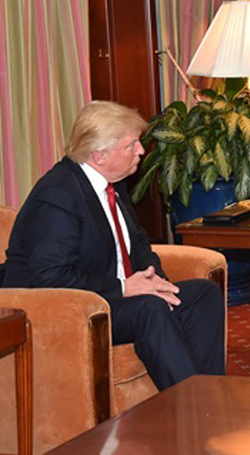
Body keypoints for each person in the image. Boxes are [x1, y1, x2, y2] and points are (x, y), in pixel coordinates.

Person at [3, 100, 225, 390]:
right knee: (149, 309)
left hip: (112, 299)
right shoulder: (57, 197)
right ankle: (195, 405)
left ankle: (210, 394)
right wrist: (124, 287)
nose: (141, 151)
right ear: (99, 155)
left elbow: (139, 242)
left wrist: (155, 279)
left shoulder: (111, 181)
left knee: (203, 295)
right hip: (67, 310)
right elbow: (51, 278)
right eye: (131, 145)